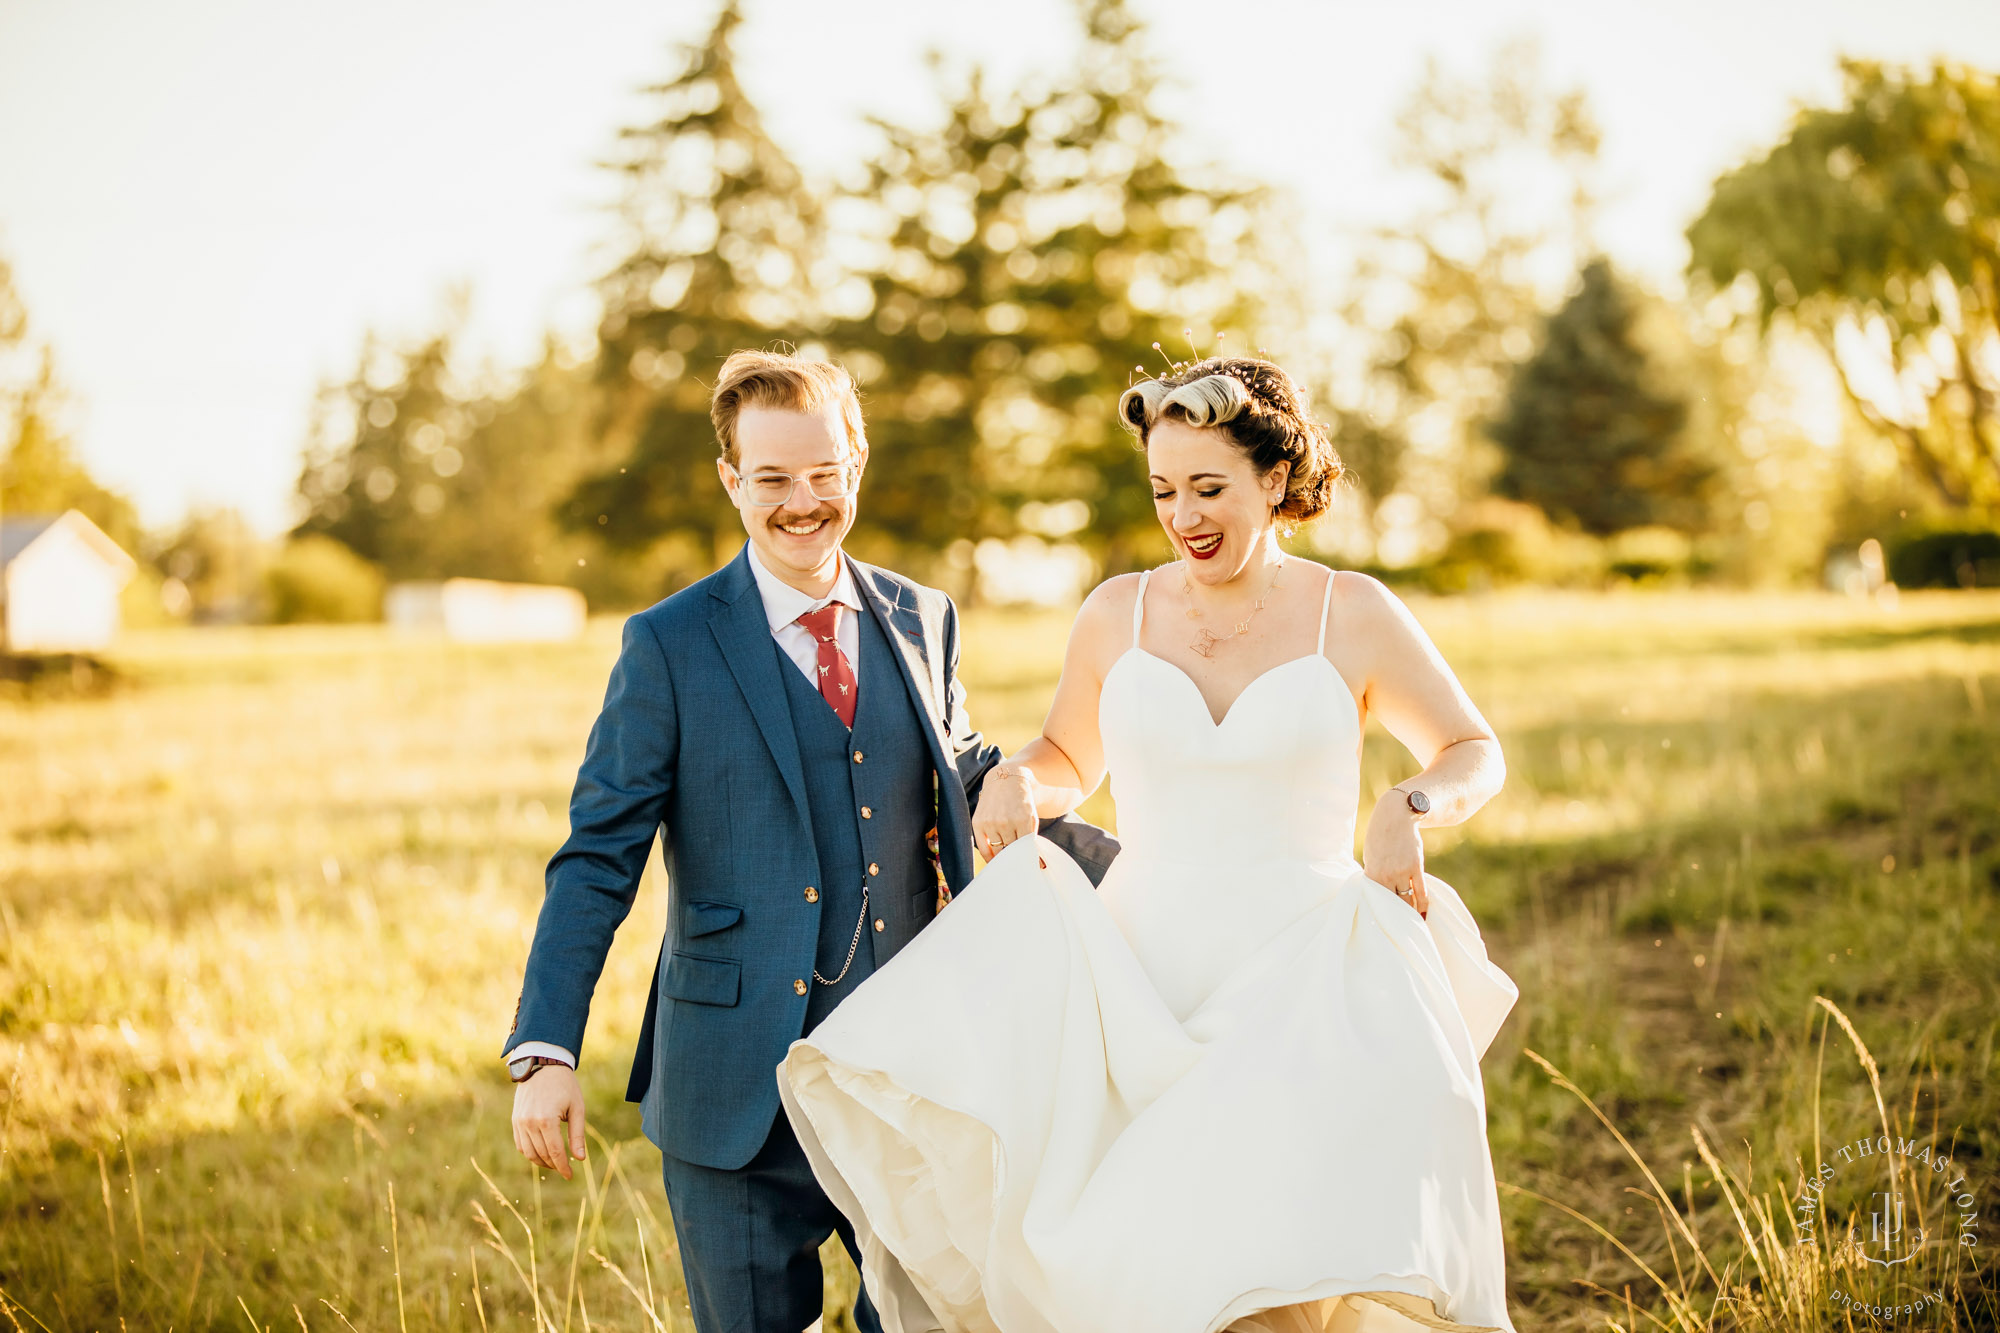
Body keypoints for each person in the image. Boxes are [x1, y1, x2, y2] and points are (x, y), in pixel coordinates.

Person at [779, 356, 1522, 1333]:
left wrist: (1410, 807)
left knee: (1276, 1270)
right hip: (1138, 979)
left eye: (1208, 487)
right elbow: (1063, 757)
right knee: (1150, 1270)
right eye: (1164, 490)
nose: (1184, 516)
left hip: (1300, 981)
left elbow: (1472, 749)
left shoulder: (1354, 612)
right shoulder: (1116, 611)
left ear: (1273, 477)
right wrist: (1014, 780)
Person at [502, 349, 1120, 1333]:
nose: (802, 502)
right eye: (775, 479)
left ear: (855, 466)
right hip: (736, 1089)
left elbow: (958, 769)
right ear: (730, 480)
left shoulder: (923, 615)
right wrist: (545, 1050)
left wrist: (1012, 783)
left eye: (823, 474)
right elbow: (596, 856)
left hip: (910, 1080)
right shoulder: (665, 645)